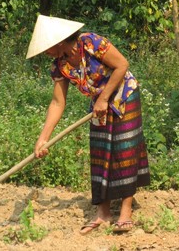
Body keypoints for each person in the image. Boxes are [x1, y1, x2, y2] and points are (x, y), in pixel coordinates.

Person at [27, 15, 150, 235]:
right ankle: (103, 213)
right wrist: (43, 137)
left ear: (58, 43)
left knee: (125, 150)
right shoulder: (59, 66)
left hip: (124, 95)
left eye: (46, 48)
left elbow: (122, 65)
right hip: (98, 104)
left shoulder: (91, 43)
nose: (45, 53)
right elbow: (57, 102)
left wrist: (104, 98)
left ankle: (125, 210)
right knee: (100, 152)